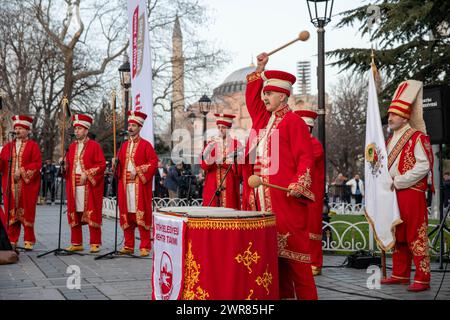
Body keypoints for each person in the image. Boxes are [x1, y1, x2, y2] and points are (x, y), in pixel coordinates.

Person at [242, 52, 317, 300]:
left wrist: (299, 183)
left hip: (286, 200)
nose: (264, 98)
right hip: (262, 201)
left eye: (269, 93)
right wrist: (260, 69)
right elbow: (251, 100)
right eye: (264, 93)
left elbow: (305, 157)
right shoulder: (264, 120)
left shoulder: (294, 122)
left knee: (297, 260)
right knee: (275, 263)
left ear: (283, 96)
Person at [381, 80, 434, 292]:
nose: (390, 118)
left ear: (404, 116)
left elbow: (424, 165)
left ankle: (423, 277)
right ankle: (400, 274)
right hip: (394, 193)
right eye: (390, 114)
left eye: (393, 114)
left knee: (415, 234)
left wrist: (399, 181)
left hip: (410, 192)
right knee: (399, 234)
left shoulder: (417, 137)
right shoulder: (389, 140)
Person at [113, 111, 158, 257]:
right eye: (129, 125)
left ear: (139, 127)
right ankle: (128, 244)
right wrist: (115, 164)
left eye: (133, 125)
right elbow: (118, 169)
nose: (130, 128)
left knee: (141, 215)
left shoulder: (146, 145)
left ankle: (145, 246)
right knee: (127, 214)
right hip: (125, 186)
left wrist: (138, 171)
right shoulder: (124, 145)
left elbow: (153, 163)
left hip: (139, 186)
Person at [62, 114, 106, 253]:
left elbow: (101, 164)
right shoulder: (72, 146)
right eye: (75, 129)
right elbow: (69, 166)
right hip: (74, 186)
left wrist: (87, 174)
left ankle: (95, 243)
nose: (76, 131)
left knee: (92, 213)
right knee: (74, 213)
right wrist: (63, 165)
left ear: (86, 130)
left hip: (89, 186)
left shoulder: (94, 146)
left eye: (79, 129)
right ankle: (76, 243)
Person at [0, 115, 41, 250]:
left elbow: (37, 164)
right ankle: (12, 239)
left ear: (27, 130)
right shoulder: (8, 147)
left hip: (26, 186)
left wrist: (23, 171)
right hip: (9, 185)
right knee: (11, 211)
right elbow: (2, 166)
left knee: (27, 211)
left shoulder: (33, 146)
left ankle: (29, 239)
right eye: (16, 128)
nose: (17, 131)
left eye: (21, 128)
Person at [294, 108, 325, 277]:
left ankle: (315, 263)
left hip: (312, 193)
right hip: (301, 192)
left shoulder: (314, 144)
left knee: (312, 227)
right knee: (301, 226)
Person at [200, 113, 242, 209]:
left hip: (230, 183)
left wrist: (224, 162)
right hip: (212, 183)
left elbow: (240, 168)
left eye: (223, 127)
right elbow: (203, 165)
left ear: (229, 129)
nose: (220, 130)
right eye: (218, 127)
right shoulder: (211, 143)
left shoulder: (236, 144)